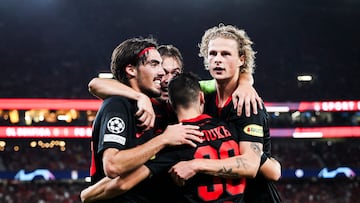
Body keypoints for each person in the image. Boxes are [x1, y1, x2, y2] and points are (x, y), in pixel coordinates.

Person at [81, 72, 275, 202]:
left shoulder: (174, 143)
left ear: (170, 105)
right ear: (201, 97)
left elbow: (123, 183)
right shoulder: (230, 127)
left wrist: (86, 194)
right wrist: (246, 80)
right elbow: (272, 169)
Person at [89, 37, 204, 202]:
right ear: (132, 70)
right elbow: (113, 166)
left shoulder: (176, 108)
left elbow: (223, 84)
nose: (165, 77)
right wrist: (163, 139)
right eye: (156, 65)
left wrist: (244, 82)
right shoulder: (120, 104)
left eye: (175, 73)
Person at [197, 23, 282, 202]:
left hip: (257, 197)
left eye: (226, 54)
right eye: (212, 54)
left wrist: (196, 165)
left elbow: (251, 167)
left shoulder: (248, 104)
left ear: (241, 60)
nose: (217, 59)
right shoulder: (204, 97)